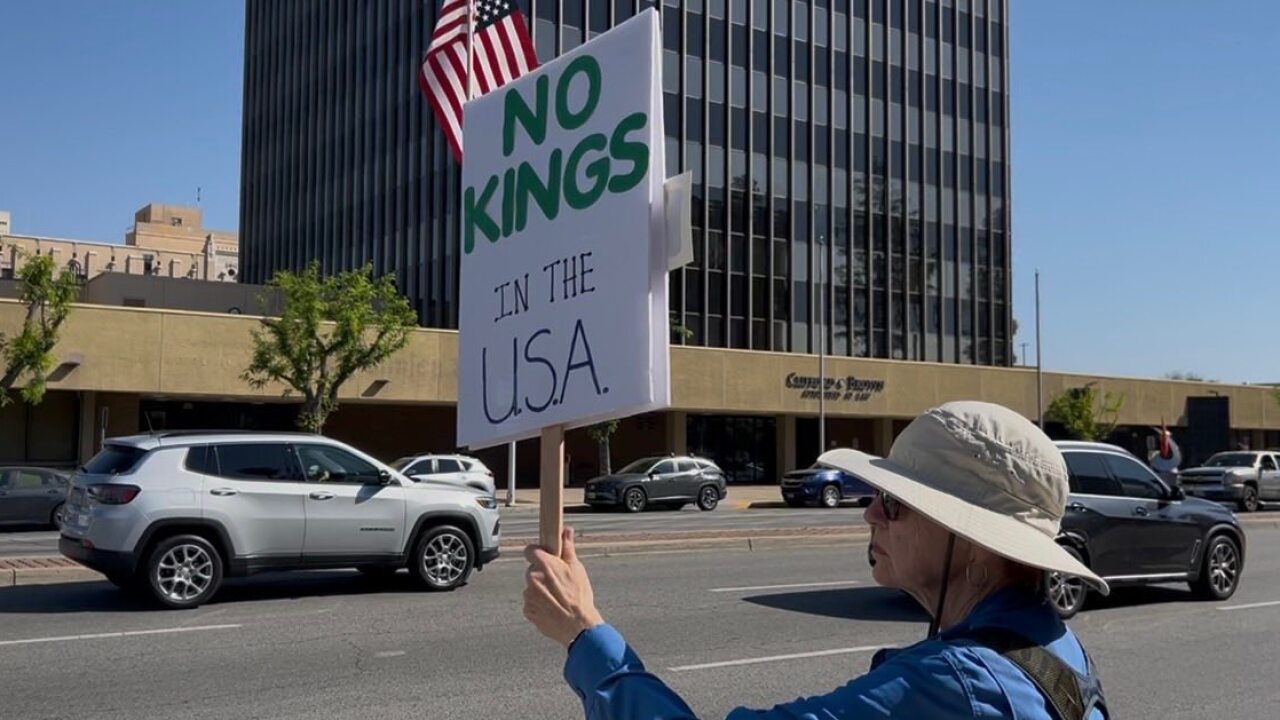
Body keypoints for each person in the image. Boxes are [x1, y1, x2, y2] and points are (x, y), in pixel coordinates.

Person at [524, 401, 1111, 719]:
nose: (870, 515)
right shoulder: (1055, 647)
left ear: (978, 544)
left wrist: (586, 634)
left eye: (895, 503)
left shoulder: (955, 685)